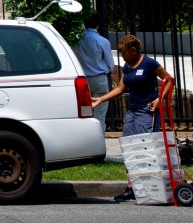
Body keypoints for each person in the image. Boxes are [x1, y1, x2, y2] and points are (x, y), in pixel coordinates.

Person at [92, 34, 175, 202]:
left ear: (133, 50)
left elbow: (169, 80)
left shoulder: (149, 63)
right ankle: (132, 187)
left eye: (123, 52)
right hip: (132, 112)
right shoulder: (127, 66)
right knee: (130, 150)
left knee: (145, 149)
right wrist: (101, 99)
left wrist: (160, 99)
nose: (122, 56)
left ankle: (151, 187)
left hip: (147, 111)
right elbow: (121, 88)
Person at [72, 11, 115, 130]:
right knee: (99, 117)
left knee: (83, 114)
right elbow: (111, 65)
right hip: (99, 80)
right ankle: (99, 144)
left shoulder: (75, 40)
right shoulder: (102, 41)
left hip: (81, 80)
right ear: (98, 24)